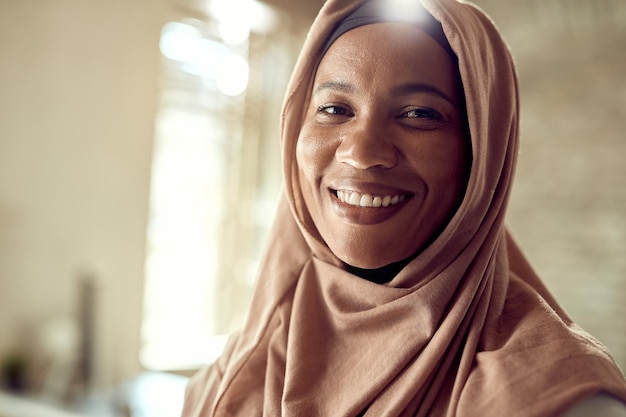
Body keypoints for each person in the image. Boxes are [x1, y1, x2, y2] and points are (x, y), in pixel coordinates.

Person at [182, 0, 626, 415]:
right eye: (335, 108)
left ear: (481, 155)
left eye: (418, 114)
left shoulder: (555, 397)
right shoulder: (227, 378)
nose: (362, 152)